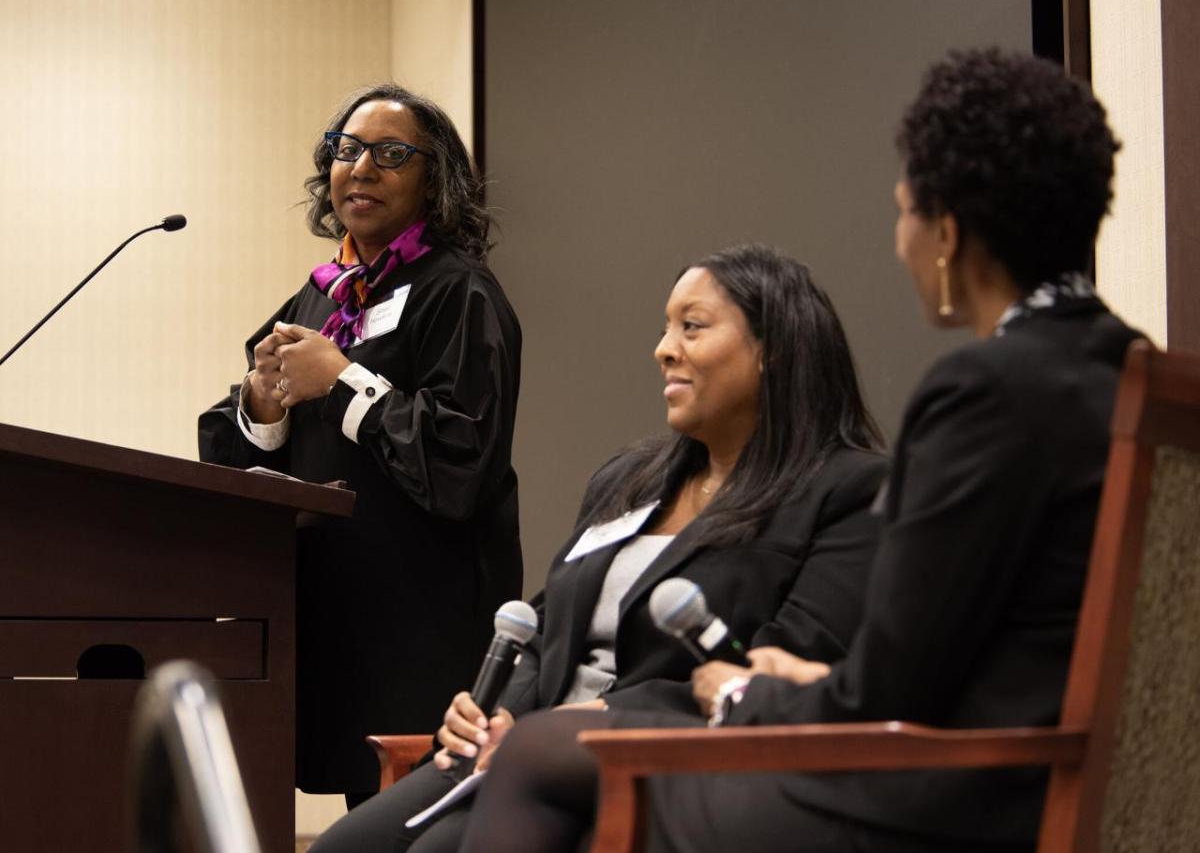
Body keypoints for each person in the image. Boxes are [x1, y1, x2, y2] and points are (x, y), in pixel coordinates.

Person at [460, 49, 1145, 853]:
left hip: (958, 794)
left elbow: (892, 690)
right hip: (1046, 775)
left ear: (947, 233)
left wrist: (746, 698)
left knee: (548, 756)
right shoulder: (1125, 370)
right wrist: (811, 681)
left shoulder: (984, 393)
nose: (900, 242)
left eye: (902, 213)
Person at [308, 243, 889, 853]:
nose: (664, 349)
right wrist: (498, 713)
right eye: (665, 329)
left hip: (670, 764)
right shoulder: (630, 478)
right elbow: (545, 626)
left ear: (774, 349)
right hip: (525, 749)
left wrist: (578, 722)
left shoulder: (846, 491)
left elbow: (772, 674)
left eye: (691, 327)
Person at [197, 83, 523, 805]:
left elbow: (459, 460)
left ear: (434, 180)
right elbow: (248, 464)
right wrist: (261, 404)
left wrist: (342, 381)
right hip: (334, 619)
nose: (361, 168)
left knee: (416, 824)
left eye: (390, 153)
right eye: (346, 151)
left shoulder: (459, 293)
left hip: (422, 631)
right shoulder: (321, 296)